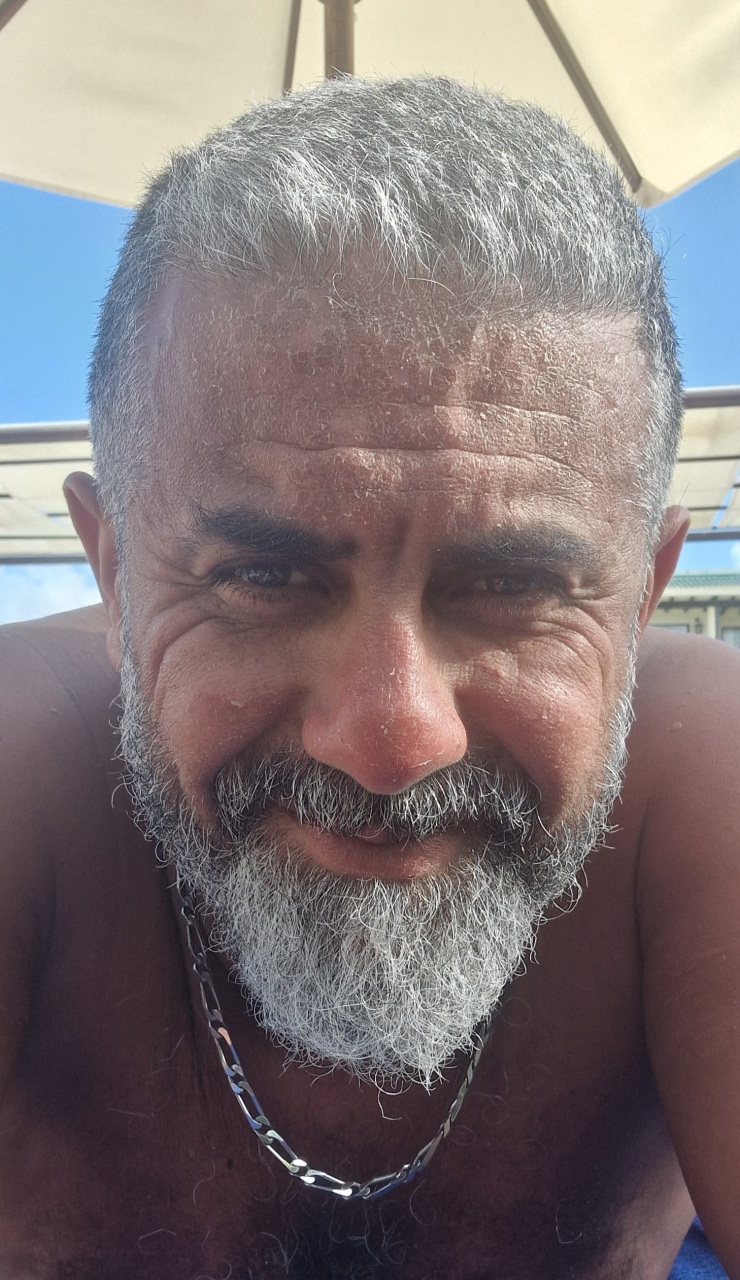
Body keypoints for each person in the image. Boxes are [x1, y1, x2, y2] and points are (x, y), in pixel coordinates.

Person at [1, 76, 738, 1280]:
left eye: (510, 584)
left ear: (642, 594)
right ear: (113, 569)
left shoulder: (706, 777)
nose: (391, 738)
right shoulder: (19, 767)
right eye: (263, 575)